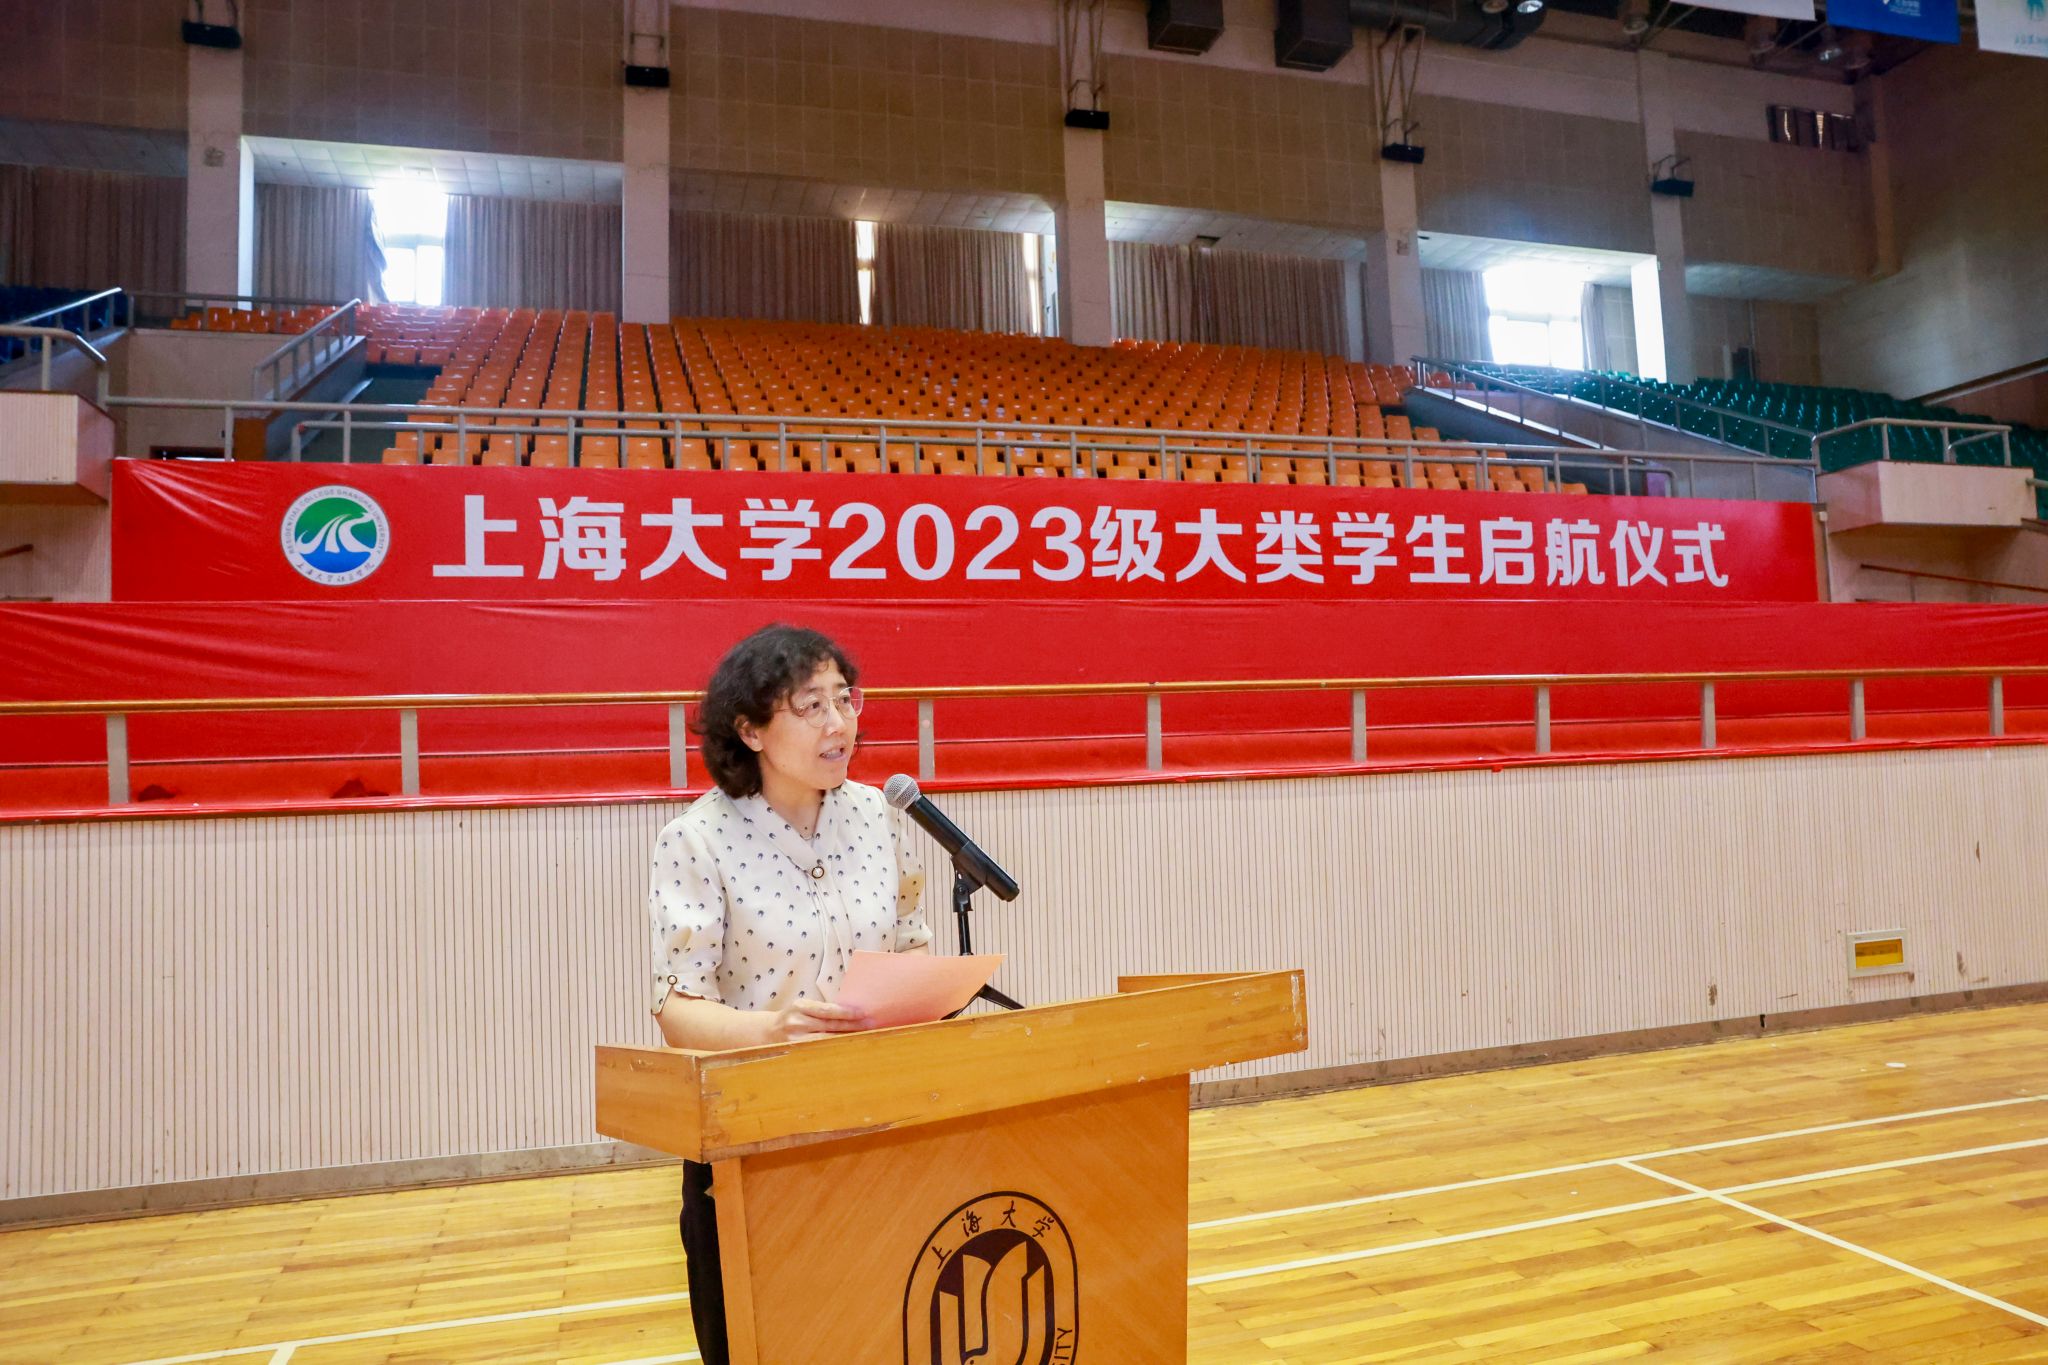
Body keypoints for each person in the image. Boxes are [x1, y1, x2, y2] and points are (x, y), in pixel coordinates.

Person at [645, 623, 932, 1365]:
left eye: (845, 699)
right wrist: (773, 1029)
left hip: (875, 1123)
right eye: (810, 706)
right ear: (751, 730)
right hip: (754, 1138)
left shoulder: (880, 817)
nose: (839, 723)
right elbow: (677, 1008)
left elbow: (910, 942)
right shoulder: (697, 840)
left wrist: (921, 989)